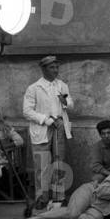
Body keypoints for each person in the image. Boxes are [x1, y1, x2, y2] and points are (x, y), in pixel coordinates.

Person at [23, 56, 73, 208]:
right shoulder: (34, 88)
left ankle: (59, 197)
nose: (55, 70)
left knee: (59, 163)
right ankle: (41, 198)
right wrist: (45, 119)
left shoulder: (62, 85)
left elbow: (70, 104)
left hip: (58, 126)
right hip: (43, 128)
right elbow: (27, 111)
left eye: (57, 67)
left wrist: (66, 102)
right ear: (44, 69)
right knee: (42, 165)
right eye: (52, 67)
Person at [9, 170, 110, 219]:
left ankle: (50, 218)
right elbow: (101, 191)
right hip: (90, 192)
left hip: (100, 209)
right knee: (73, 213)